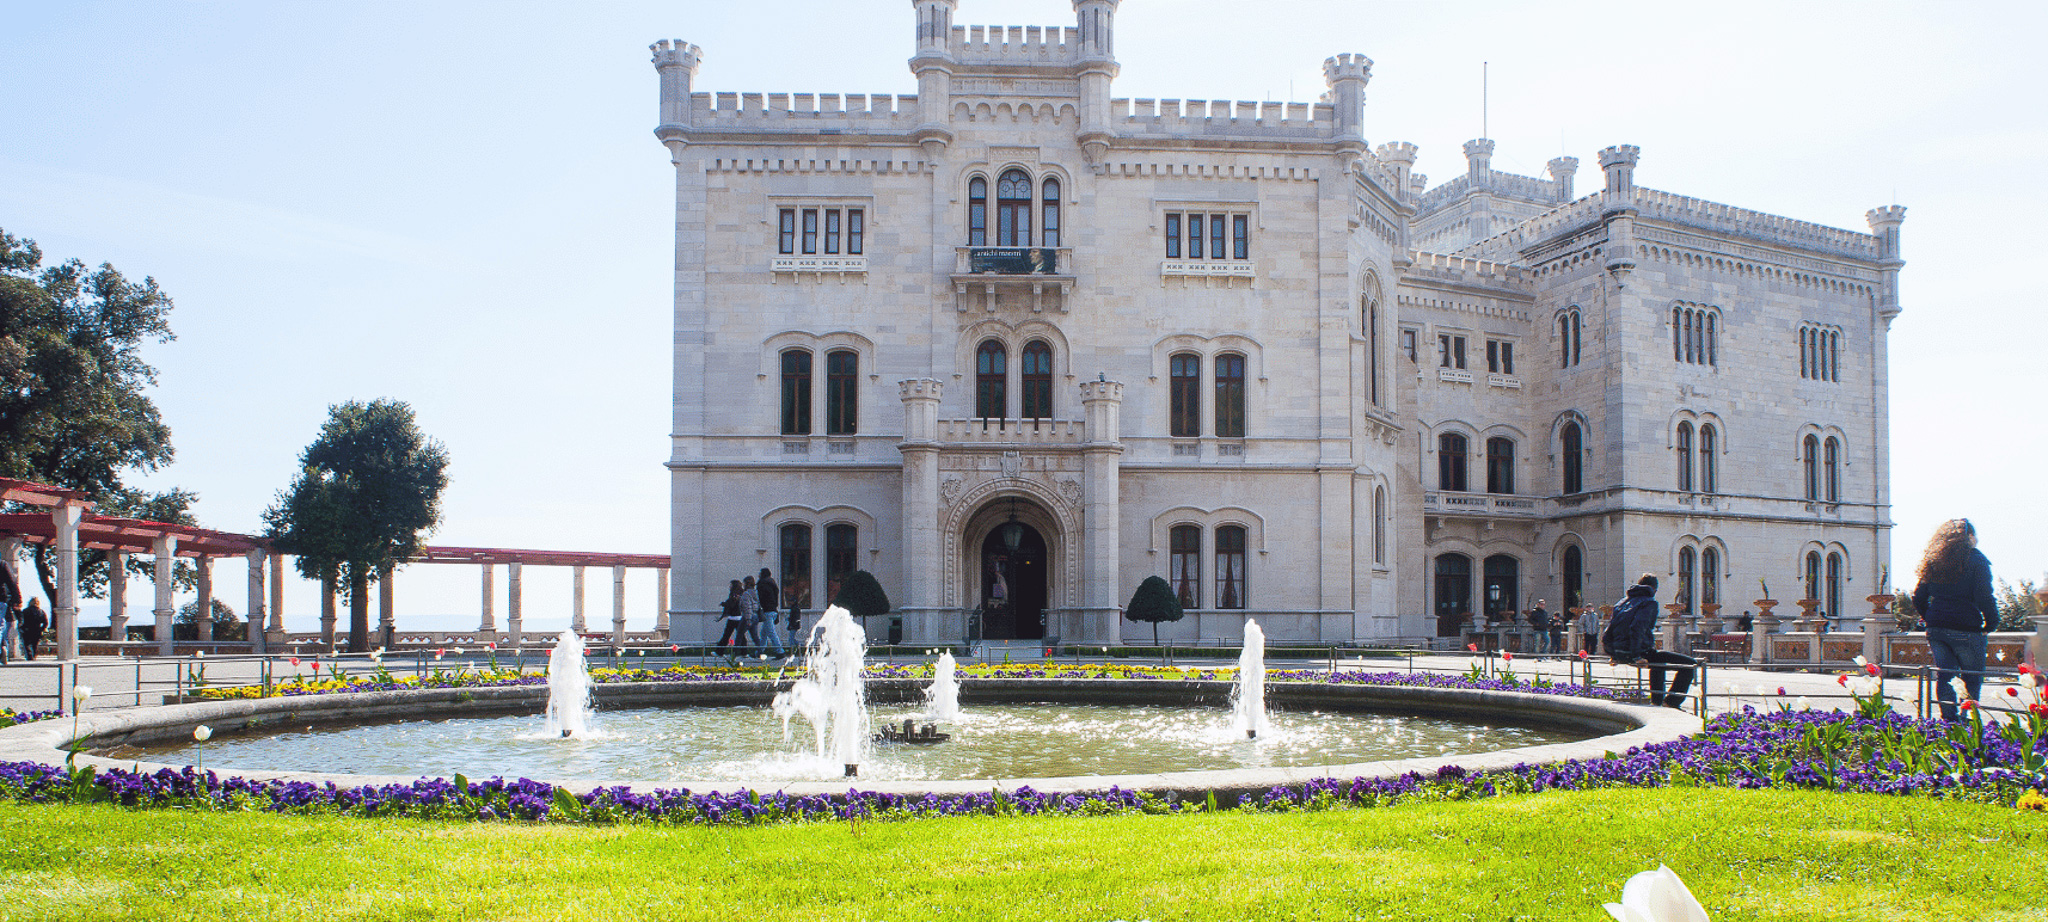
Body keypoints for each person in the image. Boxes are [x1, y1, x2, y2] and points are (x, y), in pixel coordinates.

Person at [1911, 518, 1999, 722]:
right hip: (1966, 627)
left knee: (1945, 675)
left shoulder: (1934, 560)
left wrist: (1929, 616)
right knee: (1972, 676)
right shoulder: (1976, 560)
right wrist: (1991, 622)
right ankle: (1967, 719)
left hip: (1937, 629)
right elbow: (1984, 595)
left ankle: (1948, 720)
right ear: (1969, 537)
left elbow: (1918, 597)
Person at [1602, 574, 1697, 709]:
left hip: (1620, 652)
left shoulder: (1621, 603)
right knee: (1690, 664)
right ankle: (1671, 702)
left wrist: (1613, 654)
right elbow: (1637, 628)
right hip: (1637, 652)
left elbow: (1608, 631)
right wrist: (1636, 657)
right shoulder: (1649, 602)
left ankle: (1656, 701)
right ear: (1654, 589)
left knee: (1658, 660)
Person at [754, 568, 787, 659]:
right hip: (773, 610)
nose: (758, 575)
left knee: (771, 632)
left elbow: (761, 598)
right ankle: (759, 651)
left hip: (767, 610)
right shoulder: (772, 583)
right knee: (764, 633)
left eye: (760, 573)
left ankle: (780, 651)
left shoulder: (762, 584)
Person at [714, 579, 749, 655]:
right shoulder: (741, 594)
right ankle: (744, 652)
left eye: (731, 585)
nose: (729, 586)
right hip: (739, 617)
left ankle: (719, 652)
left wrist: (724, 604)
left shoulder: (734, 594)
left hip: (733, 618)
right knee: (740, 636)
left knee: (727, 635)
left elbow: (732, 604)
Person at [738, 575, 764, 656]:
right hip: (755, 616)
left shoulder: (746, 594)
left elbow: (747, 607)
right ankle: (760, 652)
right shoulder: (756, 592)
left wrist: (748, 620)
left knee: (739, 634)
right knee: (755, 636)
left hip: (749, 616)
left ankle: (735, 653)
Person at [0, 556, 19, 665]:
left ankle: (2, 646)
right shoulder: (2, 564)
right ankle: (2, 646)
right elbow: (12, 582)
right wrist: (17, 598)